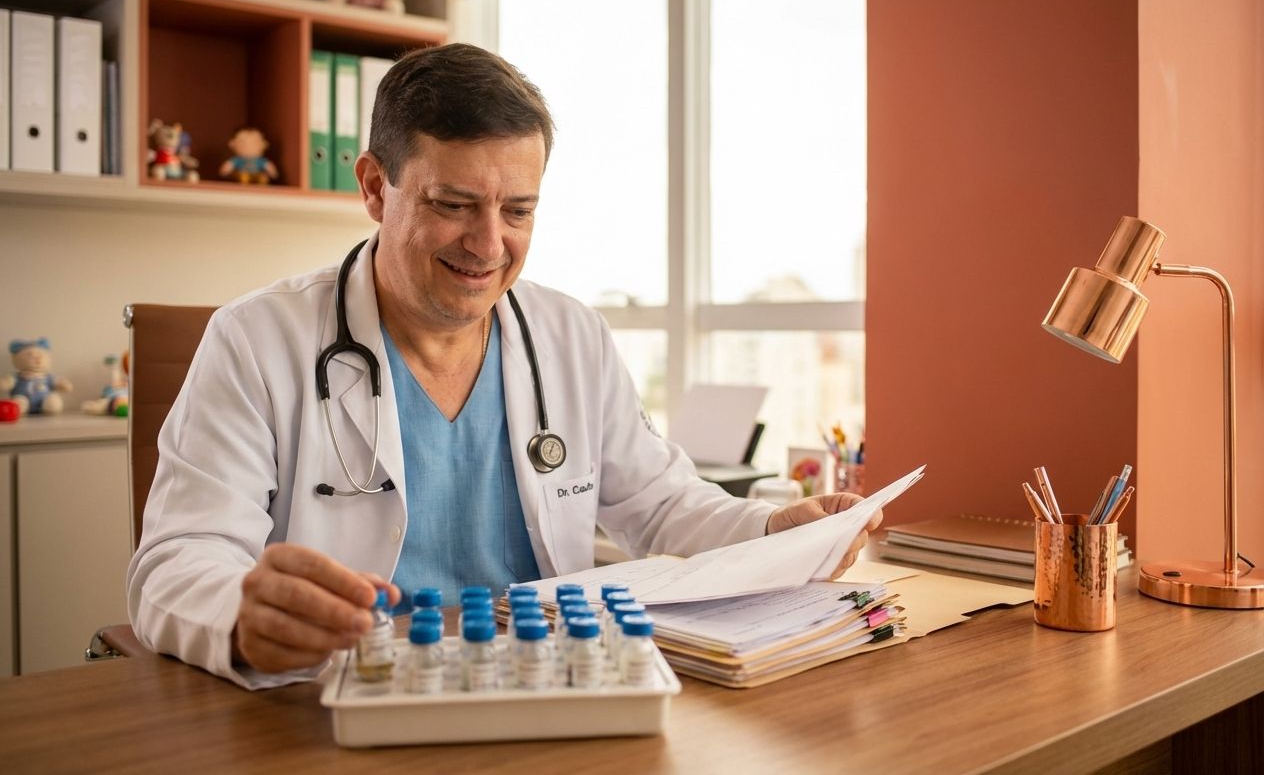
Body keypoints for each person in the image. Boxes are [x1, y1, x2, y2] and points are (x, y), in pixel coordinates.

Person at [126, 43, 882, 689]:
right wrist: (238, 614)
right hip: (346, 699)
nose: (489, 245)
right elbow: (178, 562)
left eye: (518, 211)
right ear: (373, 187)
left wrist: (772, 526)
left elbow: (658, 503)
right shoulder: (258, 340)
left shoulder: (570, 335)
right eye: (454, 205)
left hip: (546, 688)